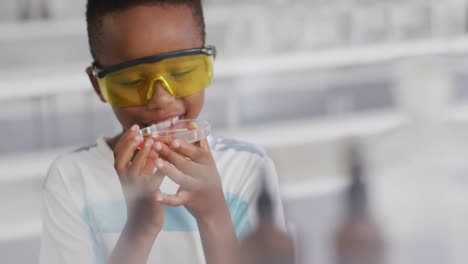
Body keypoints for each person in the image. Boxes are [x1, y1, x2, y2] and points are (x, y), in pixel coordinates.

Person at [39, 1, 284, 263]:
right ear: (98, 85)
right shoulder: (72, 180)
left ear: (209, 66)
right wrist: (139, 229)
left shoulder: (248, 168)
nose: (161, 100)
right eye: (132, 81)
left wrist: (214, 216)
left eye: (182, 72)